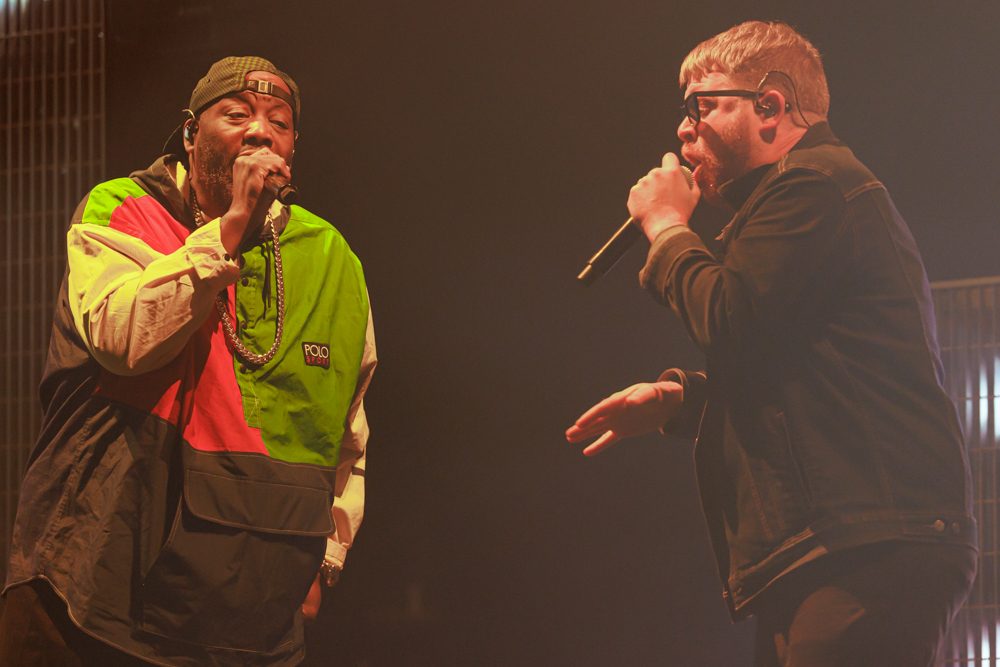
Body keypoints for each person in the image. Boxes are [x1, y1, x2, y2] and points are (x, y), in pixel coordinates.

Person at [566, 21, 976, 666]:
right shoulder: (795, 199)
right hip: (843, 541)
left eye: (701, 106)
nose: (683, 130)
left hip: (869, 541)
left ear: (770, 104)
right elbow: (795, 365)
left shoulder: (815, 184)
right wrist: (682, 400)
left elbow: (728, 319)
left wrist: (667, 226)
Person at [0, 56, 376, 665]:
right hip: (93, 590)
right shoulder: (121, 209)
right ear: (190, 133)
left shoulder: (333, 259)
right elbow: (125, 341)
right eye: (237, 114)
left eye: (278, 122)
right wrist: (231, 228)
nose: (259, 133)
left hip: (246, 612)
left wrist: (325, 556)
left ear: (293, 148)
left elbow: (344, 429)